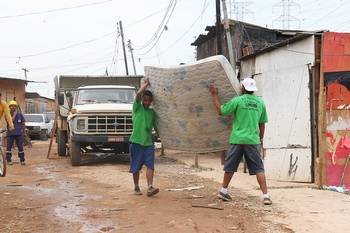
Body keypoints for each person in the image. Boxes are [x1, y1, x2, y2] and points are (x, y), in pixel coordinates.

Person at [209, 77, 272, 205]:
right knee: (259, 168)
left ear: (242, 88)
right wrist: (260, 138)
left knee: (230, 167)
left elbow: (221, 111)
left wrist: (215, 95)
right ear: (253, 90)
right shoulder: (260, 103)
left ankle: (223, 191)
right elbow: (262, 123)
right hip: (252, 140)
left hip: (237, 139)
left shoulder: (238, 100)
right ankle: (266, 196)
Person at [129, 78, 159, 197]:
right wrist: (146, 85)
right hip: (136, 142)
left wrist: (160, 136)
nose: (147, 103)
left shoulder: (152, 113)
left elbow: (155, 127)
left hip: (148, 144)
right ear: (142, 100)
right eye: (145, 100)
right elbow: (138, 94)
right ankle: (136, 186)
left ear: (151, 101)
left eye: (149, 101)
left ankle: (150, 187)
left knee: (150, 166)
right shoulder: (137, 108)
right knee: (136, 167)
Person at [6, 100, 26, 165]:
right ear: (9, 107)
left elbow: (23, 122)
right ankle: (9, 160)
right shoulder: (7, 114)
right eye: (11, 106)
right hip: (10, 134)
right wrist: (14, 115)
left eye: (14, 106)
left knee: (20, 147)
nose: (13, 107)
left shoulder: (20, 114)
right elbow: (10, 121)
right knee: (9, 147)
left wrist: (23, 131)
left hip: (19, 134)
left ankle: (22, 160)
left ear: (16, 107)